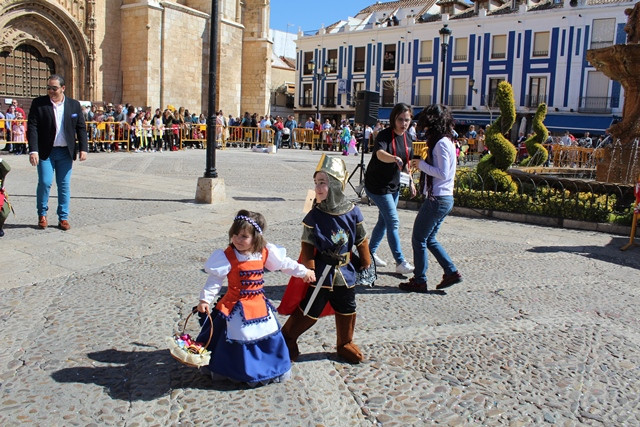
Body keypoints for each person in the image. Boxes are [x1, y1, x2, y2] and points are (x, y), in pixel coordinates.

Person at [194, 210, 315, 386]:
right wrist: (205, 300)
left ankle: (267, 368)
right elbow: (215, 280)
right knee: (239, 334)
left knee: (267, 333)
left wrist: (304, 272)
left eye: (243, 236)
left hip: (259, 306)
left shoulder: (264, 253)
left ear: (256, 237)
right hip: (234, 308)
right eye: (235, 235)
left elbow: (285, 264)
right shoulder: (227, 257)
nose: (237, 239)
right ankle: (237, 370)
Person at [278, 154, 371, 364]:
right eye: (316, 182)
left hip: (346, 272)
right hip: (323, 274)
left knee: (348, 307)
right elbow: (308, 244)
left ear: (337, 185)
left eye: (324, 182)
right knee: (311, 308)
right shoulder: (314, 215)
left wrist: (365, 260)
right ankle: (288, 338)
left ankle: (345, 343)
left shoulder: (353, 211)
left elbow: (361, 239)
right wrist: (309, 267)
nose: (318, 187)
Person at [400, 104, 462, 293]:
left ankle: (420, 280)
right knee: (430, 239)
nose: (424, 127)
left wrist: (421, 164)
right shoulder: (448, 141)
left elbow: (442, 173)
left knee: (419, 238)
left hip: (438, 198)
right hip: (444, 198)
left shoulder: (442, 143)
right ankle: (451, 271)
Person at [27, 74, 88, 231]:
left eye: (54, 88)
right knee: (45, 182)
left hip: (65, 152)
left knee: (64, 185)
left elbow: (81, 127)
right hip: (45, 152)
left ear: (63, 88)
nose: (50, 91)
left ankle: (63, 217)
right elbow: (32, 127)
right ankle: (42, 214)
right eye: (48, 88)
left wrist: (83, 148)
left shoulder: (74, 105)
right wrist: (33, 150)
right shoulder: (39, 103)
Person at [363, 102, 416, 274]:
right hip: (377, 185)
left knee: (384, 221)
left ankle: (369, 254)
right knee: (393, 221)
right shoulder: (384, 135)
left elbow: (406, 163)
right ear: (394, 119)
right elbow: (379, 154)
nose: (404, 123)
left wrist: (411, 182)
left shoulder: (408, 138)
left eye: (407, 120)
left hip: (394, 185)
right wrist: (393, 158)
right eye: (400, 119)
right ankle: (400, 262)